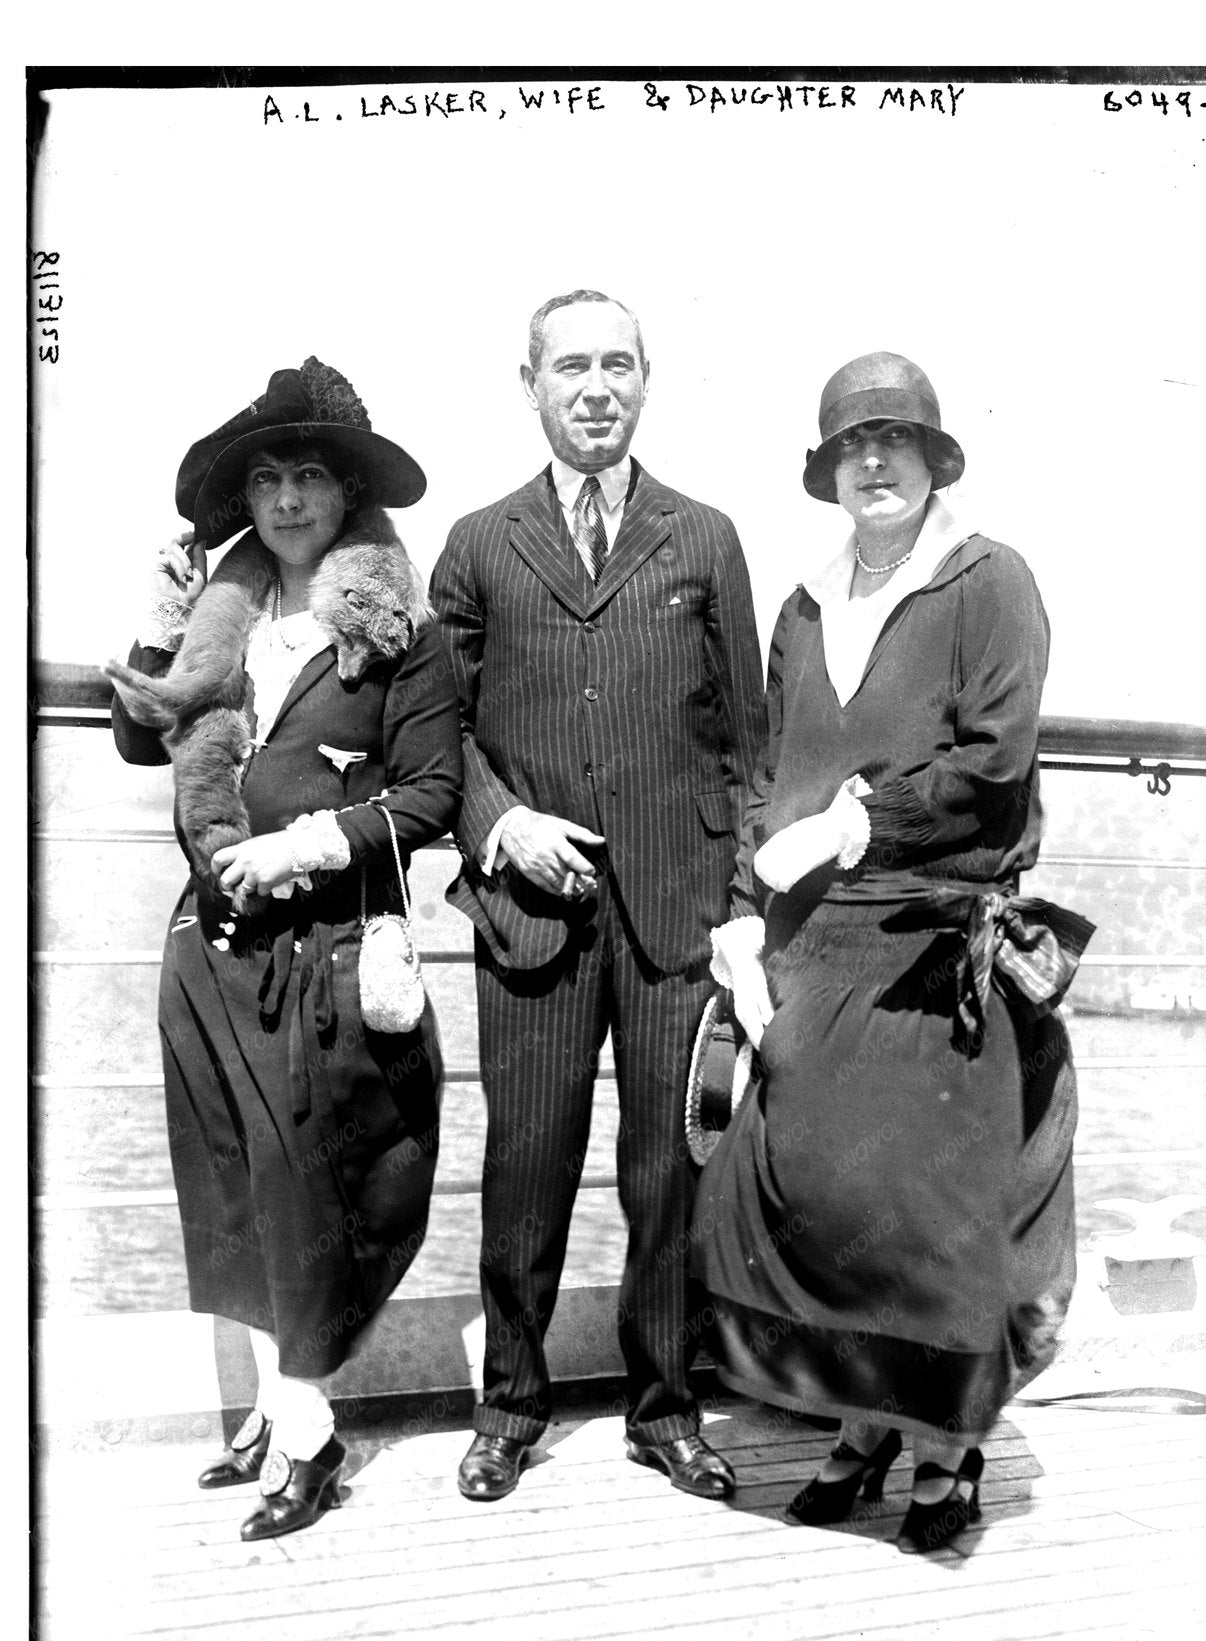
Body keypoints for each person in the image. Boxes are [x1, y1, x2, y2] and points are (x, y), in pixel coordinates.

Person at [691, 351, 1092, 1552]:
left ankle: (950, 1454)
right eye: (853, 446)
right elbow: (765, 774)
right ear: (827, 471)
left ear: (932, 461)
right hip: (817, 938)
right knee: (827, 1195)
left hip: (933, 935)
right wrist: (742, 916)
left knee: (929, 1209)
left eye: (896, 443)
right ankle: (865, 1422)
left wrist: (857, 815)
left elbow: (994, 757)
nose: (875, 462)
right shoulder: (806, 608)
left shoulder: (988, 581)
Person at [412, 289, 765, 1503]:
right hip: (535, 915)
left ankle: (665, 1407)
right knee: (528, 1160)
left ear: (648, 379)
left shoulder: (706, 536)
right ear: (531, 386)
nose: (596, 386)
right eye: (573, 366)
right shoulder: (477, 541)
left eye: (618, 363)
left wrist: (741, 904)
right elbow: (434, 733)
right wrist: (499, 825)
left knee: (673, 1168)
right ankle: (510, 1401)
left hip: (678, 911)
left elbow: (748, 743)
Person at [107, 359, 458, 1540]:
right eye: (268, 476)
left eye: (312, 473)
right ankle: (272, 1411)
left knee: (312, 1175)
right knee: (231, 1178)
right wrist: (161, 625)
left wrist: (305, 845)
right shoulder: (227, 614)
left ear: (350, 492)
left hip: (322, 947)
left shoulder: (397, 633)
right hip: (208, 945)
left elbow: (430, 794)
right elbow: (136, 742)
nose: (290, 497)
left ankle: (309, 1429)